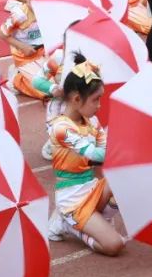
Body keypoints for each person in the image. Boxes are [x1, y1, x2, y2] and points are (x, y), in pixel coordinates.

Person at [47, 54, 124, 256]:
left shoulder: (93, 122)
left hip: (91, 187)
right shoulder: (61, 128)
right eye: (96, 100)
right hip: (72, 196)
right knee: (114, 246)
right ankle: (68, 225)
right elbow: (97, 154)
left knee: (125, 178)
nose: (99, 105)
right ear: (76, 99)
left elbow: (106, 151)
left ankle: (98, 218)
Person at [0, 0, 47, 98]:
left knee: (65, 82)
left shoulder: (51, 12)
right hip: (25, 57)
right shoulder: (19, 15)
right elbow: (1, 34)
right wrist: (22, 46)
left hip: (45, 53)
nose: (32, 3)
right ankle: (17, 79)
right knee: (44, 91)